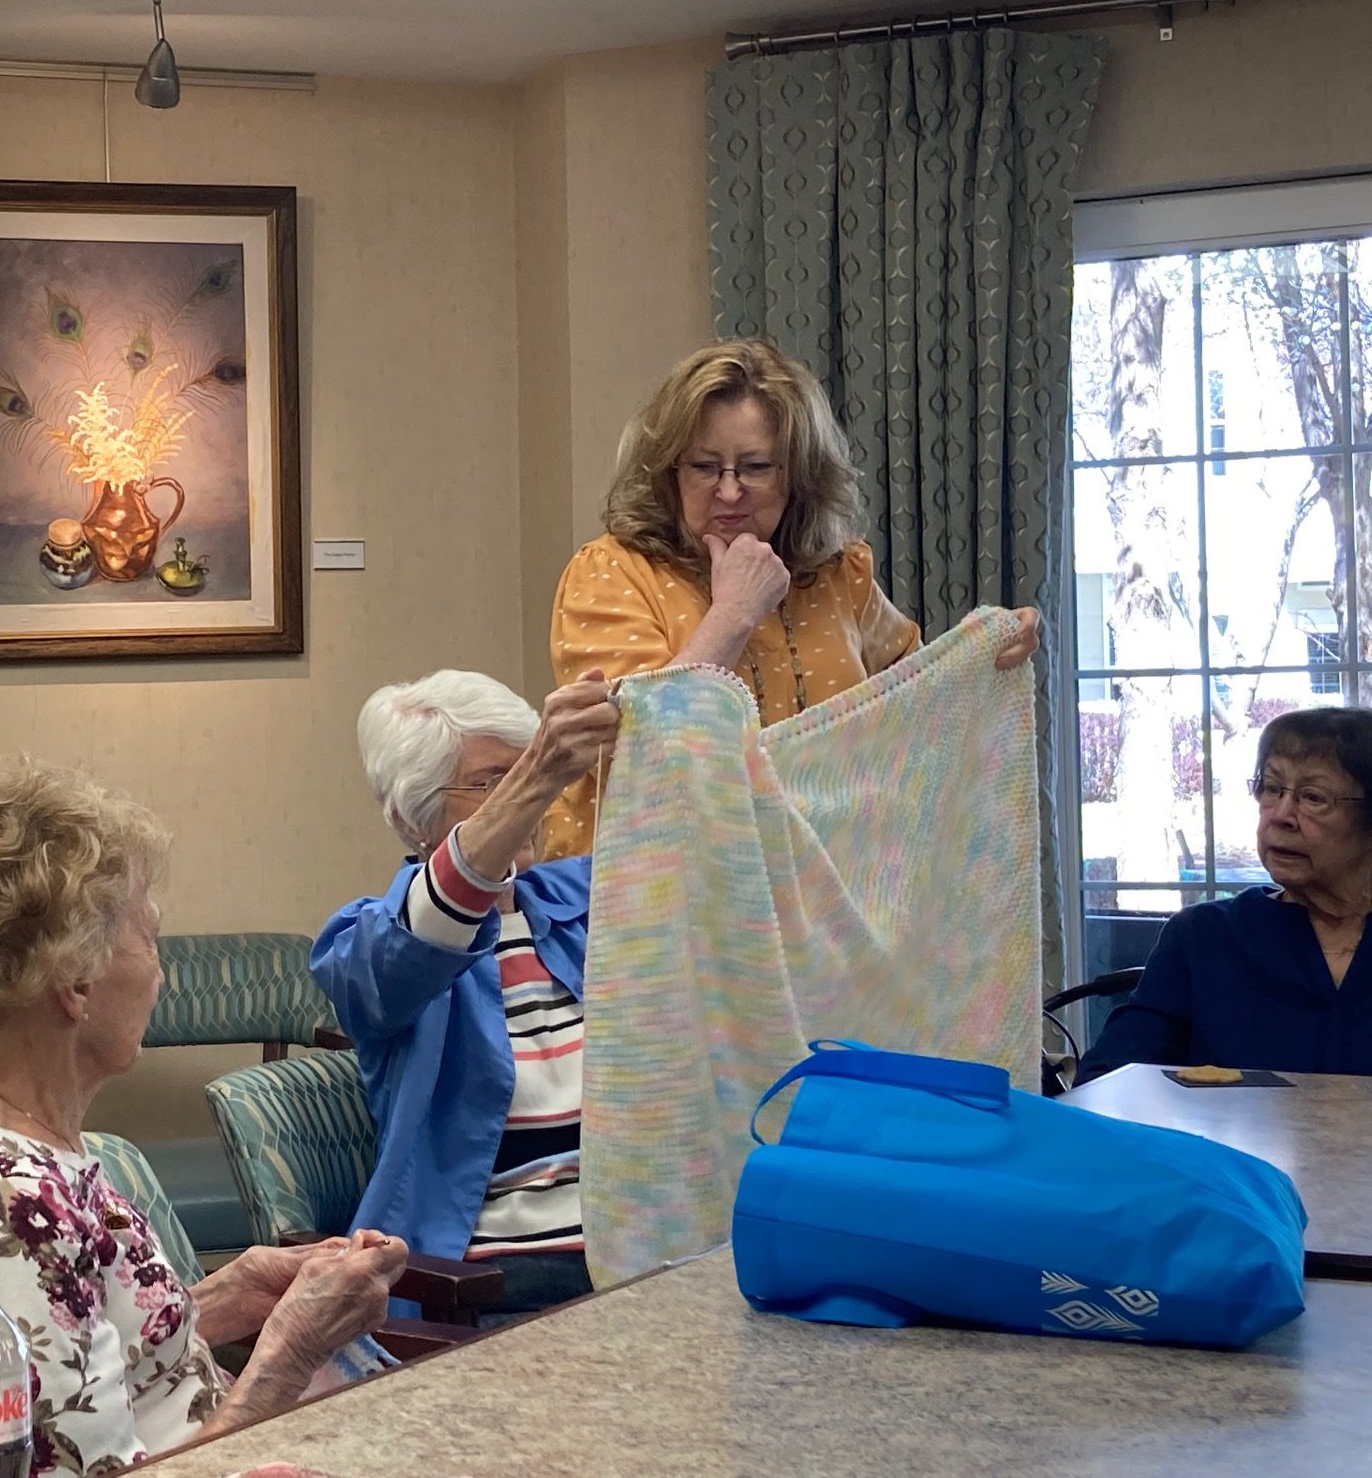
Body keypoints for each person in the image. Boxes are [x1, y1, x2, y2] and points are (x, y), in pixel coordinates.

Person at [0, 757, 408, 1472]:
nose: (160, 971)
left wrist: (235, 1291)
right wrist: (290, 1352)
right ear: (75, 980)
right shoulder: (8, 1201)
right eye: (149, 939)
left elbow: (58, 1345)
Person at [542, 338, 1040, 856]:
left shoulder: (837, 574)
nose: (730, 492)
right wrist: (734, 612)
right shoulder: (609, 572)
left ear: (799, 474)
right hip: (655, 899)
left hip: (819, 902)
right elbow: (638, 751)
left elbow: (915, 701)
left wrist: (987, 656)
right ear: (671, 473)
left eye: (756, 467)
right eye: (705, 467)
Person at [313, 668, 619, 1319]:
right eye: (492, 781)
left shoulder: (585, 897)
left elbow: (679, 834)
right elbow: (421, 941)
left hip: (649, 1251)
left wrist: (731, 619)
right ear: (409, 815)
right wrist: (540, 775)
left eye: (531, 772)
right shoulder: (366, 942)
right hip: (498, 1282)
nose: (530, 803)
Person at [1079, 707, 1372, 1082]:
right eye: (1271, 788)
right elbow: (1106, 1081)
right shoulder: (1204, 937)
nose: (1281, 814)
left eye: (1313, 797)